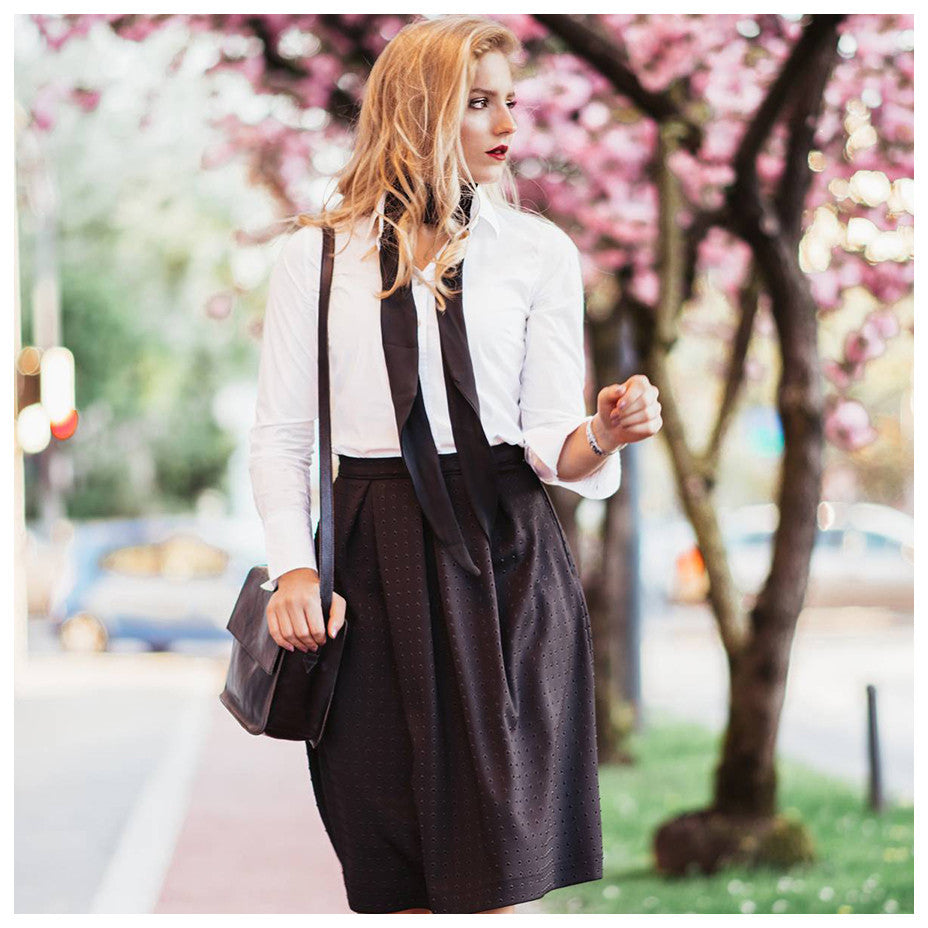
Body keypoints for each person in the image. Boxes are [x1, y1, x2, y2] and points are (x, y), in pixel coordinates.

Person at [248, 14, 662, 915]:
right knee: (386, 858)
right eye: (478, 104)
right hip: (368, 559)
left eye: (510, 101)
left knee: (505, 863)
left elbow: (552, 441)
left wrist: (607, 434)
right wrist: (293, 569)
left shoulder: (539, 252)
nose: (505, 123)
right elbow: (282, 434)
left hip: (508, 561)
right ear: (419, 110)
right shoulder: (315, 257)